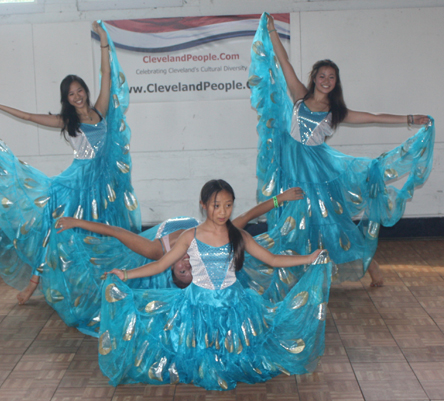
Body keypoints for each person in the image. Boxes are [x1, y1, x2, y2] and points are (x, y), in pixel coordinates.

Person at [248, 13, 434, 287]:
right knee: (295, 222)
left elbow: (373, 116)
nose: (326, 80)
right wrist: (273, 31)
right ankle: (299, 273)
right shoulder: (299, 95)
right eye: (322, 75)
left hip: (318, 175)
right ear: (314, 78)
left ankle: (372, 265)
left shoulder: (336, 111)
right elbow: (284, 62)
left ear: (336, 82)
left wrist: (408, 119)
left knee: (333, 225)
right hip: (292, 171)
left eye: (331, 77)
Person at [98, 179, 332, 390]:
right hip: (197, 305)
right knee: (198, 352)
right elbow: (160, 265)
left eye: (228, 205)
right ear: (203, 205)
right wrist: (126, 274)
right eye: (216, 205)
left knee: (237, 353)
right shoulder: (190, 236)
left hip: (234, 304)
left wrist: (309, 258)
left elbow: (272, 259)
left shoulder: (238, 236)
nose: (222, 211)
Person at [0, 21, 140, 306]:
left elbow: (107, 74)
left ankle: (102, 282)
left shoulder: (100, 110)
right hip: (75, 184)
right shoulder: (67, 121)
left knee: (101, 229)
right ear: (67, 99)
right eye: (71, 94)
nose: (77, 96)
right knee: (56, 230)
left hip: (102, 184)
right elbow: (27, 116)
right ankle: (32, 285)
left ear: (85, 90)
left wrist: (102, 41)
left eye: (79, 90)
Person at [55, 186, 305, 289]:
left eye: (182, 270)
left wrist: (75, 222)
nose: (187, 264)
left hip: (169, 230)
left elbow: (117, 232)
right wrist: (280, 199)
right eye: (191, 270)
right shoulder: (219, 232)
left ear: (173, 270)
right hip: (201, 228)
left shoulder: (158, 250)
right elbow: (249, 214)